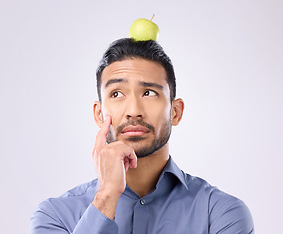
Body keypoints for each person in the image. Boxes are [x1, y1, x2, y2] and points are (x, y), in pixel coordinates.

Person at [30, 38, 254, 233]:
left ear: (175, 112)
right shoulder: (54, 216)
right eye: (117, 93)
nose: (133, 110)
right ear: (99, 114)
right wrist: (106, 196)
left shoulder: (221, 214)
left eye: (149, 92)